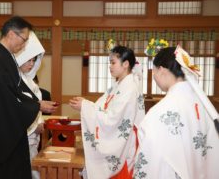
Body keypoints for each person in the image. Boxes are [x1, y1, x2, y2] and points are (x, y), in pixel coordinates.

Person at [0, 16, 57, 179]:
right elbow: (3, 100)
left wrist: (36, 103)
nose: (24, 45)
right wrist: (37, 106)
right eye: (24, 39)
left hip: (5, 127)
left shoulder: (6, 59)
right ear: (11, 34)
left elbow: (17, 93)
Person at [133, 46, 219, 179]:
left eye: (154, 72)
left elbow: (149, 161)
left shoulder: (158, 113)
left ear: (161, 70)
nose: (154, 77)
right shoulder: (206, 107)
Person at [69, 45, 145, 179]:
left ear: (126, 64)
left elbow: (114, 118)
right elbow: (102, 107)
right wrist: (85, 104)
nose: (110, 66)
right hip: (118, 138)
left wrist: (85, 107)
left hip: (124, 142)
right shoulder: (118, 85)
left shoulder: (130, 88)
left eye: (113, 62)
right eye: (110, 62)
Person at [15, 31, 46, 179]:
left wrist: (39, 122)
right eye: (28, 60)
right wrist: (34, 125)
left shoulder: (31, 82)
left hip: (34, 134)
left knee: (33, 167)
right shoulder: (15, 81)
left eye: (34, 60)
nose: (31, 64)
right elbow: (18, 108)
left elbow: (36, 107)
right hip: (22, 134)